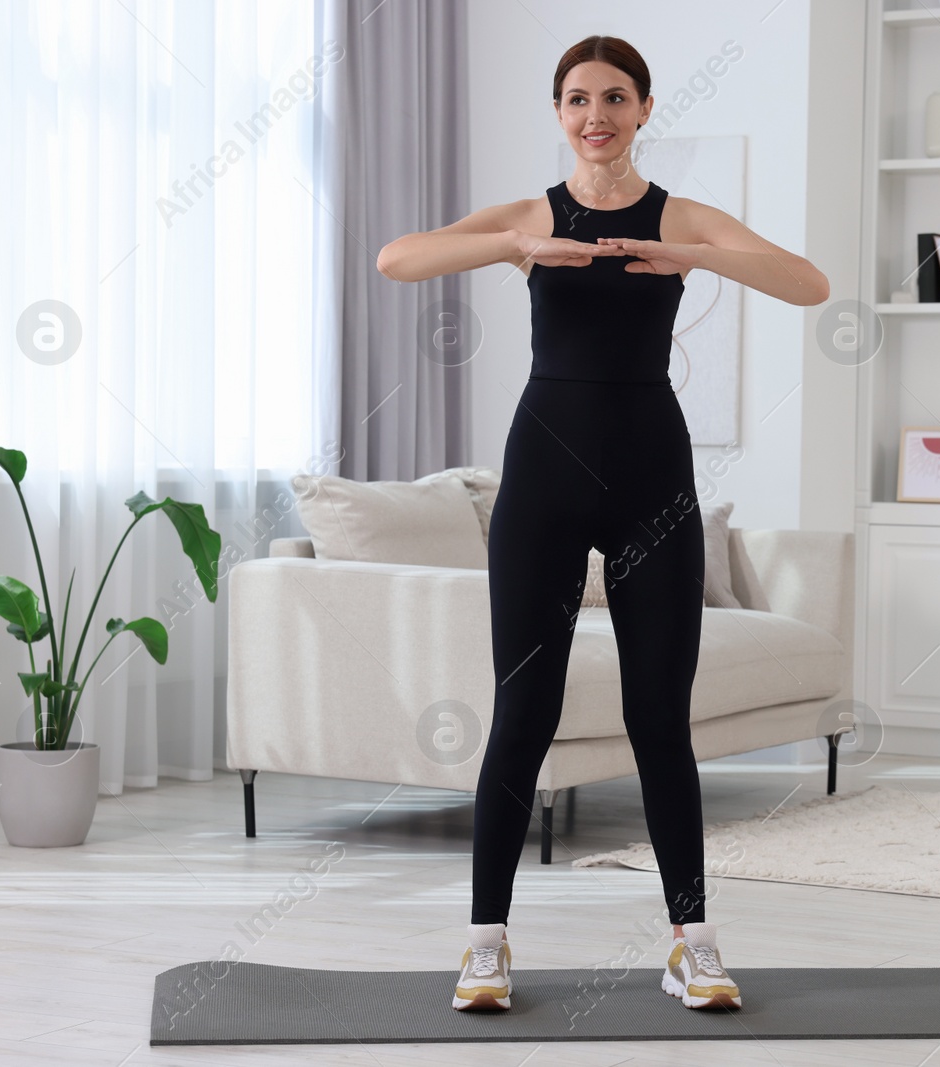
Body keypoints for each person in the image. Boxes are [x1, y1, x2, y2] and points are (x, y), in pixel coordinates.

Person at [375, 34, 829, 1015]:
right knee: (522, 714)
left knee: (658, 716)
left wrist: (691, 254)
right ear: (559, 113)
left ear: (644, 108)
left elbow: (807, 282)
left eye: (615, 96)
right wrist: (511, 245)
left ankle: (691, 942)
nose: (596, 113)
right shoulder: (531, 213)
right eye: (578, 98)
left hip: (652, 480)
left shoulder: (680, 215)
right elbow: (397, 257)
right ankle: (486, 944)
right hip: (543, 477)